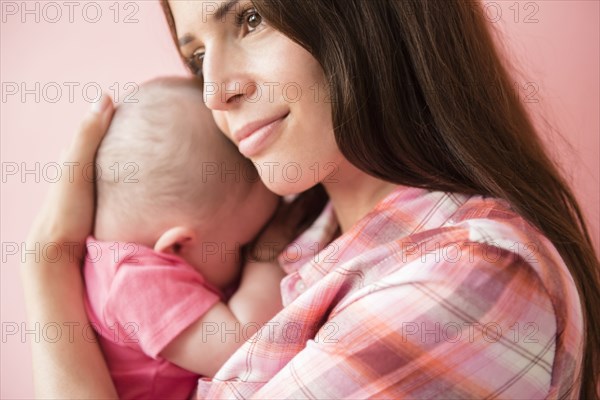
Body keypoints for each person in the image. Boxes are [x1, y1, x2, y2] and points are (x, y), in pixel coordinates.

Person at [21, 0, 600, 399]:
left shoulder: (466, 278)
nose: (216, 91)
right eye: (197, 56)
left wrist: (49, 273)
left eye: (250, 18)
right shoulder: (299, 243)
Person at [83, 76, 283, 399]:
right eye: (244, 245)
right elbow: (245, 349)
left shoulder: (115, 260)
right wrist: (271, 249)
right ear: (177, 246)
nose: (248, 255)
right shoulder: (136, 283)